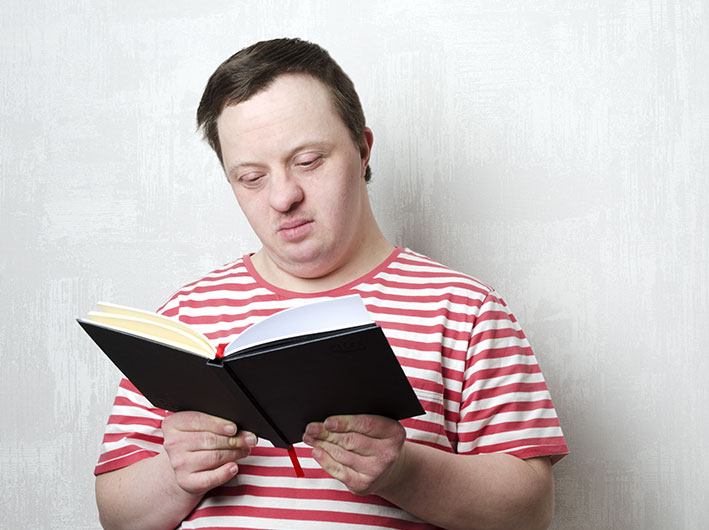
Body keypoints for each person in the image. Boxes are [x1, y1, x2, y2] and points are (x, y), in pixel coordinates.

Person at [94, 38, 569, 530]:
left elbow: (529, 513)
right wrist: (175, 476)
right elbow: (117, 516)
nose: (283, 197)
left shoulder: (467, 311)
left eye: (308, 161)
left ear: (362, 149)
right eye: (251, 177)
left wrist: (404, 472)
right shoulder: (185, 314)